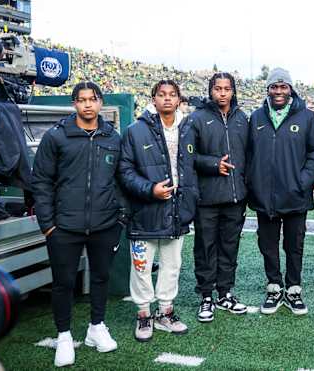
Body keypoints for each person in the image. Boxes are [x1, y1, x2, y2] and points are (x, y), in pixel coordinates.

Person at [32, 82, 123, 367]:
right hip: (64, 227)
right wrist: (48, 225)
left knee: (100, 277)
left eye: (92, 99)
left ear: (100, 103)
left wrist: (119, 217)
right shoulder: (56, 137)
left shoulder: (113, 137)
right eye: (81, 100)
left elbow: (121, 179)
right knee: (64, 283)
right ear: (74, 104)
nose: (87, 105)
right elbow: (41, 182)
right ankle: (64, 336)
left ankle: (97, 327)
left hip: (105, 224)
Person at [119, 79, 197, 341]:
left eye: (172, 95)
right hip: (145, 211)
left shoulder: (187, 129)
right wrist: (149, 189)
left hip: (176, 211)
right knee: (141, 266)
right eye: (161, 94)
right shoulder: (135, 130)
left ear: (178, 100)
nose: (166, 99)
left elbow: (193, 165)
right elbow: (125, 171)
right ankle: (144, 314)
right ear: (153, 99)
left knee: (172, 265)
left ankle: (165, 312)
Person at [247, 68, 314, 316]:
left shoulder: (306, 117)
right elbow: (249, 154)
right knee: (267, 245)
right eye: (274, 87)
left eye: (283, 87)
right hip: (264, 195)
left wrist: (303, 180)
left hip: (296, 194)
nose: (279, 91)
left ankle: (293, 289)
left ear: (291, 89)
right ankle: (274, 287)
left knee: (294, 245)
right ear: (267, 89)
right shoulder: (257, 117)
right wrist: (253, 182)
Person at [190, 72, 249, 322]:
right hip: (207, 198)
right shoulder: (197, 118)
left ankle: (225, 293)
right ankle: (206, 296)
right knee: (205, 248)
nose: (222, 93)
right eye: (217, 89)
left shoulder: (242, 118)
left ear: (233, 91)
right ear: (210, 91)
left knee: (229, 247)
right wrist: (213, 164)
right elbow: (188, 156)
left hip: (236, 198)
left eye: (227, 89)